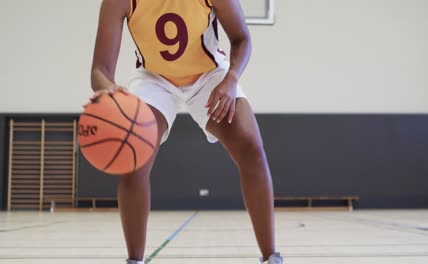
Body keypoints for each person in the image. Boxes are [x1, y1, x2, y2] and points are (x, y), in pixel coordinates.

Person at [89, 0, 283, 263]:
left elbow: (241, 38)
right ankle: (134, 260)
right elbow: (99, 70)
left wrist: (231, 79)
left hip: (211, 75)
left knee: (251, 147)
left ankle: (271, 256)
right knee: (135, 154)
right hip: (153, 79)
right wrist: (110, 88)